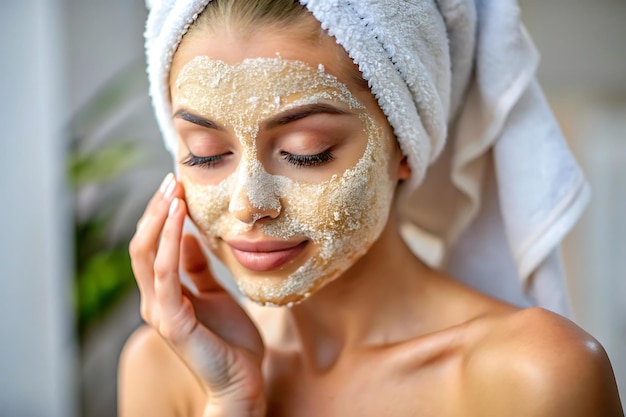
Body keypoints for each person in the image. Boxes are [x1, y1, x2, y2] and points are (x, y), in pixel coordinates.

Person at [118, 0, 624, 416]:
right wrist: (230, 401)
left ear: (403, 146)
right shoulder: (167, 370)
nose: (249, 203)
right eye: (205, 155)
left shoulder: (535, 377)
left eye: (305, 150)